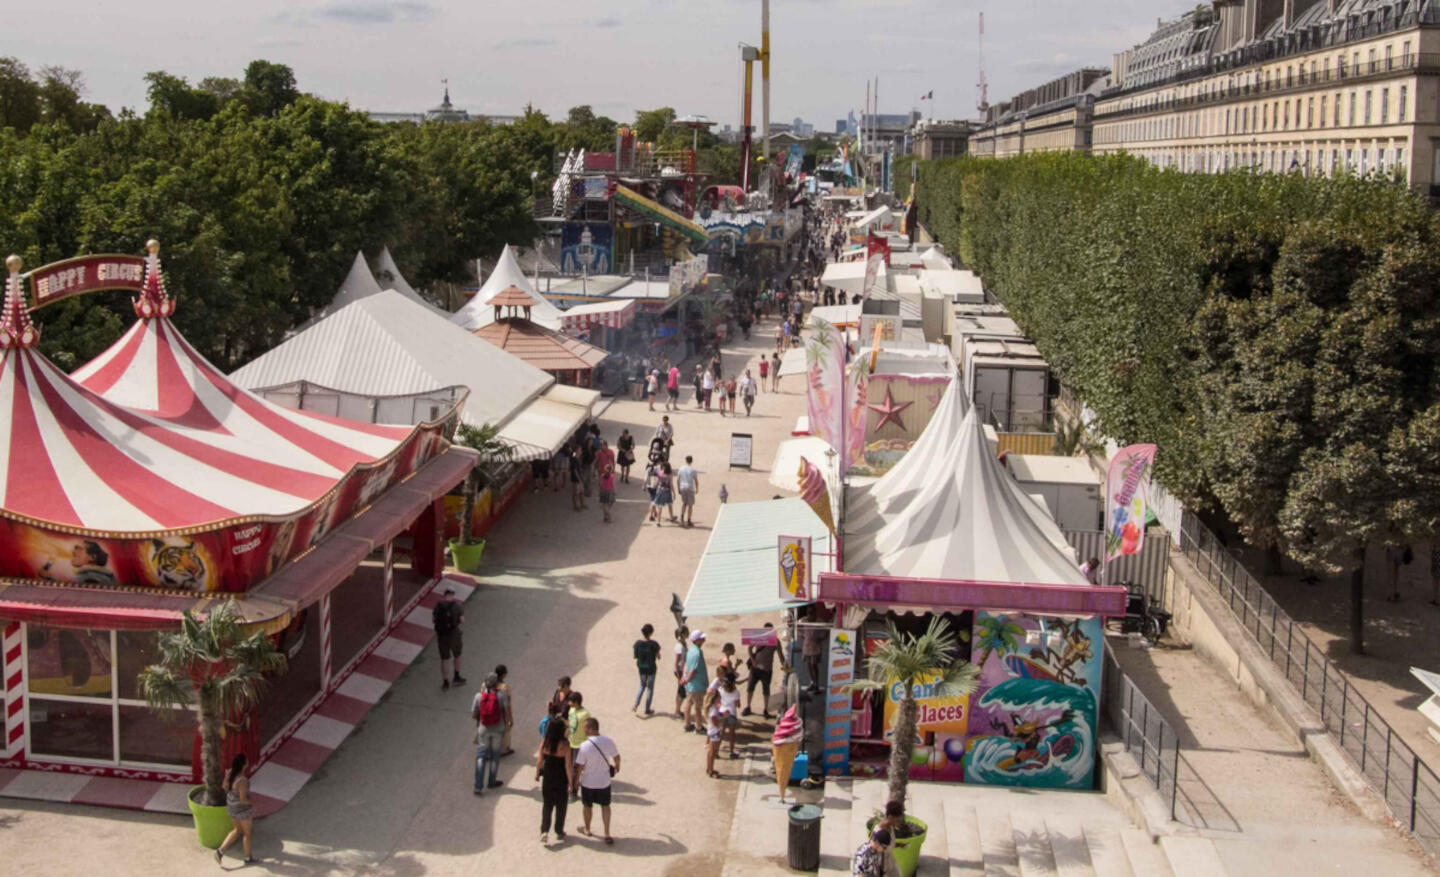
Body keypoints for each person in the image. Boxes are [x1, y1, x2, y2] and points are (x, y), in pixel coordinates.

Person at [571, 717, 620, 845]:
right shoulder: (608, 741)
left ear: (591, 728)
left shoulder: (584, 746)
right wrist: (617, 767)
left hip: (588, 781)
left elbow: (580, 766)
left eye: (585, 728)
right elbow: (617, 757)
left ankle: (587, 829)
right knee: (605, 806)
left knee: (587, 806)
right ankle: (607, 833)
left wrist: (575, 782)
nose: (584, 730)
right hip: (604, 781)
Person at [536, 707, 573, 844]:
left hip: (548, 776)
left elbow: (539, 760)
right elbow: (568, 766)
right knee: (561, 805)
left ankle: (544, 830)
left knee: (547, 804)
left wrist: (536, 774)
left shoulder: (545, 742)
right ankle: (559, 830)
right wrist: (570, 782)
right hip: (561, 777)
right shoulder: (565, 745)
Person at [214, 753, 255, 864]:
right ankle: (248, 858)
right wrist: (252, 803)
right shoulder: (242, 781)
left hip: (232, 807)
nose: (248, 761)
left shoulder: (231, 773)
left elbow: (224, 787)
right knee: (247, 834)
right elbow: (243, 800)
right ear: (244, 765)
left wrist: (227, 776)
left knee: (237, 830)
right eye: (247, 760)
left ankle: (220, 852)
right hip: (242, 810)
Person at [472, 673, 508, 793]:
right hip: (498, 729)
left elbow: (473, 715)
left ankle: (478, 785)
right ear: (496, 684)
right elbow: (506, 711)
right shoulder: (501, 695)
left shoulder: (478, 696)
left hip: (483, 729)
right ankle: (492, 782)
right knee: (495, 756)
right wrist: (507, 724)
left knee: (481, 757)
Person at [432, 587, 465, 690]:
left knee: (444, 659)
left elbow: (434, 620)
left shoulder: (438, 606)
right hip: (454, 635)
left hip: (442, 636)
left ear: (444, 595)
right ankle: (456, 676)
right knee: (457, 655)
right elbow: (462, 620)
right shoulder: (457, 606)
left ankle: (445, 682)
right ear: (453, 595)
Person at [744, 622, 777, 718]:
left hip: (767, 670)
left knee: (766, 690)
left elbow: (780, 653)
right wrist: (753, 660)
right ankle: (748, 707)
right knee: (750, 688)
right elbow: (749, 648)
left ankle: (766, 710)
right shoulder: (759, 638)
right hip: (756, 669)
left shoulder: (775, 641)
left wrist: (784, 664)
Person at [681, 630, 709, 732]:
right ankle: (698, 726)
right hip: (697, 685)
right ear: (697, 640)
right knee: (698, 707)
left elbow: (686, 665)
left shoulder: (690, 650)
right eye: (702, 639)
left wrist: (684, 677)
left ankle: (687, 724)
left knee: (688, 703)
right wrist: (687, 679)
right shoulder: (697, 653)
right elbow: (693, 669)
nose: (704, 640)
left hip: (691, 685)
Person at [632, 623, 661, 714]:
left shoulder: (638, 644)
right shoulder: (654, 644)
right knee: (650, 688)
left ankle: (636, 704)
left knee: (642, 686)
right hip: (651, 669)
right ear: (651, 633)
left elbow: (634, 656)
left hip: (641, 669)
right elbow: (658, 657)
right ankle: (647, 709)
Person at [715, 671, 743, 758]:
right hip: (732, 713)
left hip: (722, 712)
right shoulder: (736, 692)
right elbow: (738, 705)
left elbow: (718, 701)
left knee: (721, 733)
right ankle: (731, 752)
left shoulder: (721, 690)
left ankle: (716, 752)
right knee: (732, 734)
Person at [703, 687, 725, 778]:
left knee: (710, 751)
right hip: (715, 732)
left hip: (711, 731)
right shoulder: (713, 710)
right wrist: (724, 718)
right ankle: (711, 770)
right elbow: (716, 722)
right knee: (712, 752)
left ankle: (709, 769)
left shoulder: (713, 707)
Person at [495, 664, 516, 756]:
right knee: (505, 731)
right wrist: (510, 718)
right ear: (503, 674)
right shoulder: (505, 687)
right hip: (501, 713)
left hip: (489, 711)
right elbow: (507, 704)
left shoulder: (487, 683)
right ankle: (504, 750)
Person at [676, 455, 699, 528]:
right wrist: (697, 489)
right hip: (690, 488)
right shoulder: (693, 470)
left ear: (686, 460)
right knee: (690, 505)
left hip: (683, 487)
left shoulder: (681, 468)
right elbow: (696, 480)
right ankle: (689, 520)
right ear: (691, 461)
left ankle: (682, 518)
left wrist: (678, 488)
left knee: (684, 503)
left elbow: (678, 479)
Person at [673, 626, 690, 718]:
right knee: (681, 691)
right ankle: (677, 711)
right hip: (680, 670)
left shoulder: (683, 644)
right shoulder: (680, 646)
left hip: (683, 670)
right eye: (687, 632)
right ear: (683, 634)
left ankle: (678, 710)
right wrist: (679, 676)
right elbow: (677, 661)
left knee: (682, 690)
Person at [653, 462, 676, 527]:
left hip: (660, 490)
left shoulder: (660, 473)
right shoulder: (670, 474)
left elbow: (657, 481)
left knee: (659, 507)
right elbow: (671, 484)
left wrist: (654, 486)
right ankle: (671, 518)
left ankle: (658, 522)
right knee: (670, 505)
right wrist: (674, 493)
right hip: (667, 491)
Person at [570, 441, 587, 512]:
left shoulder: (576, 457)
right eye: (580, 449)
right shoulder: (574, 459)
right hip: (576, 479)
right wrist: (579, 479)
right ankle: (576, 506)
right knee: (576, 493)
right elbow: (574, 470)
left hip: (580, 477)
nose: (581, 451)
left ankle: (582, 504)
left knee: (582, 492)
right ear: (577, 450)